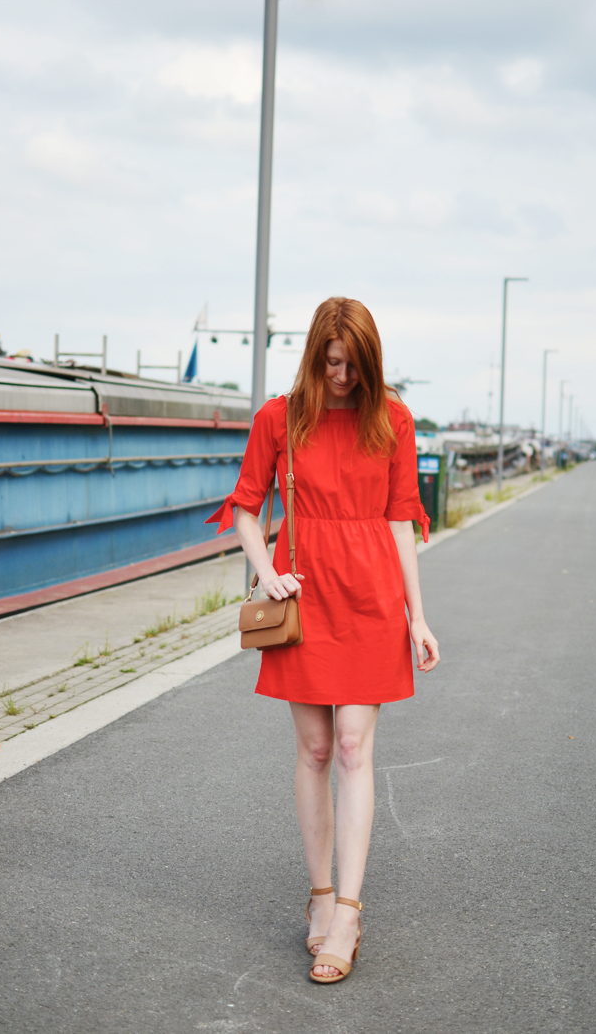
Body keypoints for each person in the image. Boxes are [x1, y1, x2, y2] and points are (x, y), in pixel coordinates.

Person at [206, 297, 440, 983]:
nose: (341, 377)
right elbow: (245, 508)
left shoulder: (392, 418)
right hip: (304, 596)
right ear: (315, 355)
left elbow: (402, 521)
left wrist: (417, 617)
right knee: (312, 748)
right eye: (331, 362)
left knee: (351, 747)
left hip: (370, 601)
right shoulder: (279, 417)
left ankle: (348, 911)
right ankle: (318, 894)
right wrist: (267, 570)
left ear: (369, 363)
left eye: (353, 365)